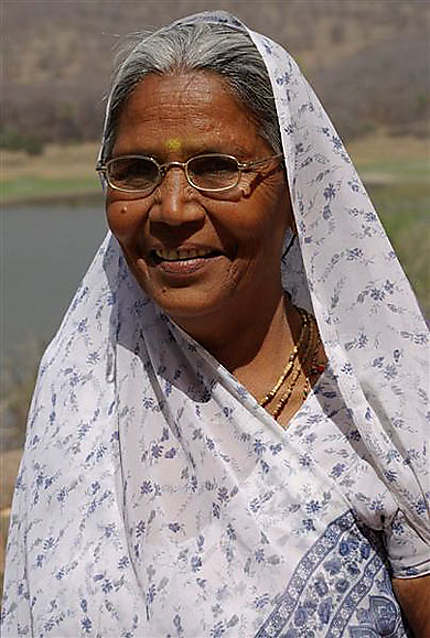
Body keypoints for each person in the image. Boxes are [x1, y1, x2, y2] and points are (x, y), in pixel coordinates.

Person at [2, 10, 429, 637]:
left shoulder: (380, 404)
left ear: (293, 190)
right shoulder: (83, 394)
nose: (172, 208)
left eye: (217, 167)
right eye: (136, 171)